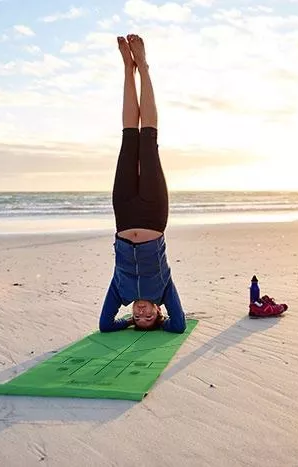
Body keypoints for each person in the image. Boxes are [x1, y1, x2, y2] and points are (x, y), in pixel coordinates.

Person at [99, 34, 187, 334]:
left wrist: (124, 322)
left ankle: (127, 68)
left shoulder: (121, 293)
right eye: (149, 316)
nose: (142, 313)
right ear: (159, 311)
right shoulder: (164, 289)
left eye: (138, 318)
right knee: (147, 139)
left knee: (128, 138)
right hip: (153, 214)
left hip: (123, 215)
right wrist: (162, 323)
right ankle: (144, 68)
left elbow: (105, 325)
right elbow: (179, 326)